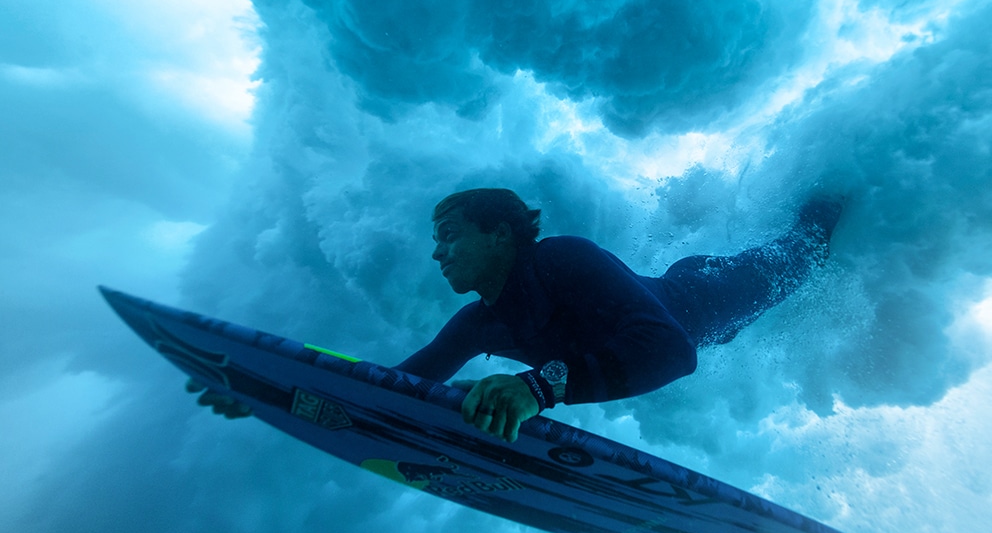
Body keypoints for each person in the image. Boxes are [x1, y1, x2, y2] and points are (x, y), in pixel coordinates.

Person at [192, 187, 843, 439]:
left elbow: (671, 353)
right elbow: (398, 386)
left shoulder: (562, 258)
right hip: (685, 312)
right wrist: (270, 391)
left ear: (501, 234)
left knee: (804, 253)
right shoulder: (481, 324)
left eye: (449, 234)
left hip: (709, 294)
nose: (437, 251)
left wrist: (535, 388)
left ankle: (843, 191)